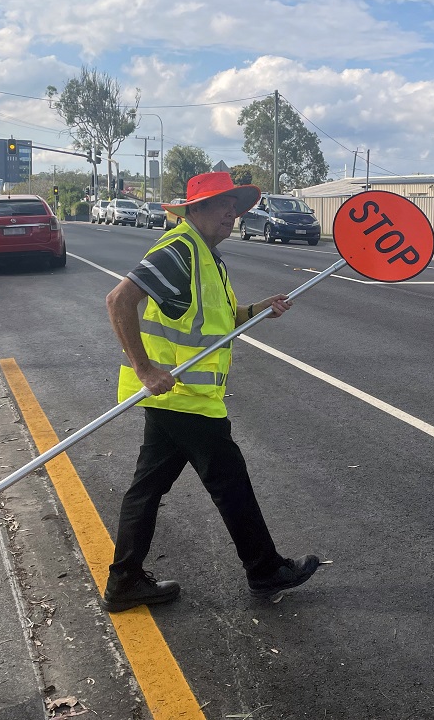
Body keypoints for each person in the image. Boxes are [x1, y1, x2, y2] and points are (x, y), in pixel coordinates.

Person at [102, 171, 320, 612]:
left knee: (147, 488)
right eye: (222, 204)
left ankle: (125, 580)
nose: (232, 213)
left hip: (181, 399)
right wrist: (144, 368)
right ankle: (264, 569)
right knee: (230, 482)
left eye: (236, 205)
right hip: (183, 397)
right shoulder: (179, 250)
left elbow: (218, 321)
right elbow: (118, 300)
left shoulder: (207, 258)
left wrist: (258, 311)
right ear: (194, 209)